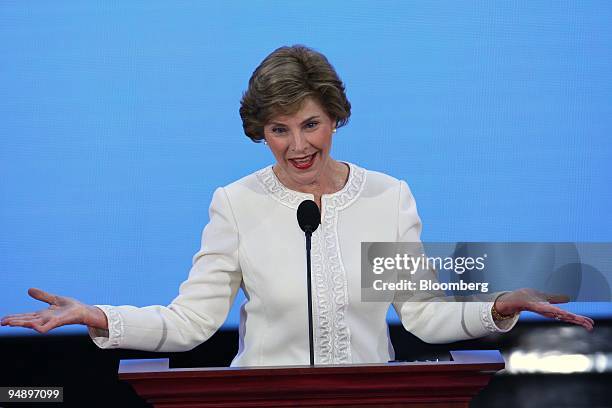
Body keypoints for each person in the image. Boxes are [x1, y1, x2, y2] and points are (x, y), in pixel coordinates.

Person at [1, 45, 594, 367]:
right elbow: (191, 324)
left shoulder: (387, 197)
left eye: (311, 124)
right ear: (260, 132)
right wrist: (98, 315)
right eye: (278, 129)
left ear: (336, 116)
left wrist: (500, 304)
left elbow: (422, 317)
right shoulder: (237, 203)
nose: (298, 145)